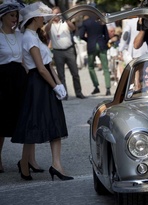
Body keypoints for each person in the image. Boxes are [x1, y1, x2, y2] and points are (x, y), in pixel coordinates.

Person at [11, 1, 73, 181]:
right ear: (36, 18)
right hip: (38, 83)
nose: (44, 19)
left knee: (53, 122)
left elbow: (48, 65)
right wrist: (55, 86)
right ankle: (25, 162)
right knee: (34, 123)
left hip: (43, 82)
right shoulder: (29, 38)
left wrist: (59, 83)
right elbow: (41, 68)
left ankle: (56, 165)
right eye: (42, 17)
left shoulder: (35, 36)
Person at [0, 0, 42, 174]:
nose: (15, 18)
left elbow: (25, 59)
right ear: (2, 17)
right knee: (1, 121)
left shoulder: (20, 35)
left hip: (20, 79)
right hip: (2, 80)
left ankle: (29, 159)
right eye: (11, 15)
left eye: (16, 15)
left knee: (26, 119)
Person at [45, 7, 86, 100]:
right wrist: (51, 19)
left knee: (75, 73)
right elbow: (45, 30)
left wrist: (66, 19)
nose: (57, 15)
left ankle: (78, 92)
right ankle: (64, 94)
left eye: (58, 13)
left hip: (69, 50)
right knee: (61, 75)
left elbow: (73, 28)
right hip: (57, 51)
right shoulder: (50, 25)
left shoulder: (64, 22)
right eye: (55, 13)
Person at [79, 14, 111, 96]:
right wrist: (104, 41)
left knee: (91, 67)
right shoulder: (101, 21)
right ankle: (108, 88)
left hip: (91, 45)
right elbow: (107, 35)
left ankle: (96, 86)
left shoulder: (86, 22)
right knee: (105, 67)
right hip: (101, 45)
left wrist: (88, 40)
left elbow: (81, 35)